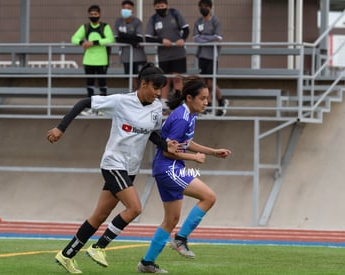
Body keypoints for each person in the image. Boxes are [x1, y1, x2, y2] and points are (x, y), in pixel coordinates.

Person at [47, 63, 181, 274]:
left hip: (130, 168)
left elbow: (152, 134)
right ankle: (99, 247)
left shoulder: (156, 107)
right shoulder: (121, 101)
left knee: (99, 216)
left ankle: (66, 255)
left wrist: (166, 145)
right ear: (142, 83)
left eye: (160, 89)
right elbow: (83, 102)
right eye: (155, 88)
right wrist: (60, 128)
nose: (157, 93)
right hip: (113, 164)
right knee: (135, 208)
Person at [137, 76, 232, 273]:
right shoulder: (182, 117)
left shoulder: (189, 114)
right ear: (189, 98)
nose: (207, 102)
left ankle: (147, 263)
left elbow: (185, 143)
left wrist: (212, 152)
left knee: (171, 219)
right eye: (203, 98)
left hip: (168, 168)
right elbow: (167, 151)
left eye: (207, 98)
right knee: (209, 197)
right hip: (168, 167)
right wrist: (194, 158)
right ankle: (180, 239)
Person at [145, 0, 189, 113]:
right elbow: (148, 38)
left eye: (162, 6)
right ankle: (164, 104)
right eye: (158, 6)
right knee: (165, 80)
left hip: (178, 53)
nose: (160, 8)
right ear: (154, 7)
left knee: (177, 79)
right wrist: (161, 40)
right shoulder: (153, 19)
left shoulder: (175, 14)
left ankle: (178, 103)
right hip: (163, 55)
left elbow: (186, 29)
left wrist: (182, 39)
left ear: (167, 6)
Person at [71, 4, 114, 115]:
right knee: (90, 85)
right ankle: (91, 107)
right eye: (91, 14)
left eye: (95, 14)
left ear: (99, 14)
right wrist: (82, 42)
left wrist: (94, 42)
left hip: (102, 60)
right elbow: (74, 38)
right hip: (88, 60)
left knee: (102, 85)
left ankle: (103, 109)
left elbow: (110, 39)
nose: (93, 16)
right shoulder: (85, 27)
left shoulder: (105, 26)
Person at [193, 0, 229, 116]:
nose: (203, 8)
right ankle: (208, 105)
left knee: (210, 82)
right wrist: (209, 38)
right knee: (204, 82)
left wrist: (204, 38)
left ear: (210, 7)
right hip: (202, 55)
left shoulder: (215, 21)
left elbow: (218, 38)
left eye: (205, 6)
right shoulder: (198, 22)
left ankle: (221, 100)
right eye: (201, 6)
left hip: (212, 56)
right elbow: (196, 38)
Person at [114, 0, 147, 91]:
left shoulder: (137, 22)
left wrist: (123, 36)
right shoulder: (118, 21)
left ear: (132, 10)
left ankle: (140, 93)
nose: (126, 10)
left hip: (138, 55)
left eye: (128, 8)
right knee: (130, 76)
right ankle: (134, 94)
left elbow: (139, 38)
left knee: (139, 76)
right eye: (124, 8)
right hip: (126, 55)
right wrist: (132, 41)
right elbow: (117, 38)